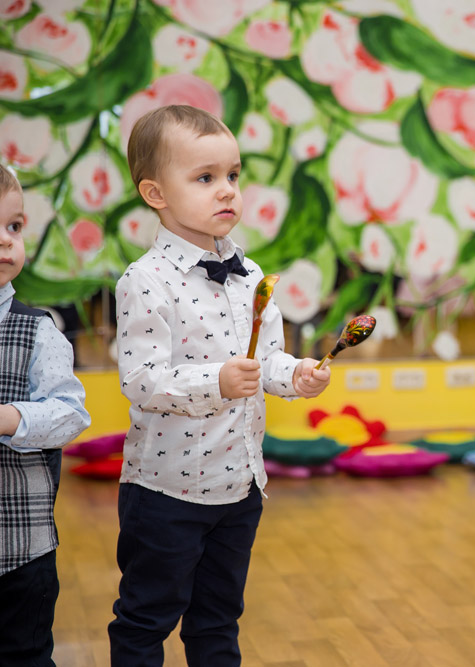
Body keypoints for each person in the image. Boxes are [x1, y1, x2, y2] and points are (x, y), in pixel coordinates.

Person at [108, 105, 331, 666]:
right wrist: (218, 380)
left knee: (218, 620)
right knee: (145, 618)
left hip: (239, 487)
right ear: (156, 194)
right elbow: (142, 379)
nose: (227, 190)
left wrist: (297, 375)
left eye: (233, 175)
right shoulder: (145, 280)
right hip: (166, 492)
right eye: (205, 178)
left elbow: (266, 360)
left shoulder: (251, 276)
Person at [0, 165, 91, 666]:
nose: (5, 243)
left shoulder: (39, 332)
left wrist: (8, 417)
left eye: (14, 227)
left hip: (20, 549)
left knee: (24, 655)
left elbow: (70, 415)